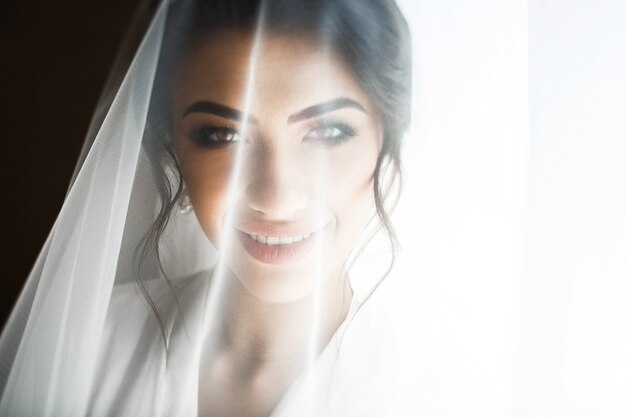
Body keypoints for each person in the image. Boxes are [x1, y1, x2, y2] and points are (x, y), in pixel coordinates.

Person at [0, 0, 411, 416]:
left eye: (327, 131)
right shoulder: (81, 345)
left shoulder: (437, 387)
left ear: (386, 149)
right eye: (222, 135)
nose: (276, 198)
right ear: (174, 151)